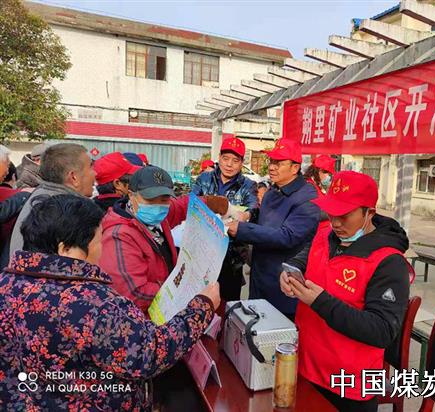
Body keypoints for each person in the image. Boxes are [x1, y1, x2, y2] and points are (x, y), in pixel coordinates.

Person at [0, 194, 220, 411]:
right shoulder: (94, 304)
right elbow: (148, 353)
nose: (103, 248)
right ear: (66, 249)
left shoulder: (5, 284)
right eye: (98, 240)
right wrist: (202, 307)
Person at [280, 171, 413, 412]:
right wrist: (291, 271)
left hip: (348, 386)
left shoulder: (389, 263)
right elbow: (305, 257)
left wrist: (320, 301)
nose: (336, 223)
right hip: (306, 366)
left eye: (344, 215)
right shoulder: (326, 234)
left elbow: (382, 331)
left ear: (369, 213)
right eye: (331, 213)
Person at [100, 165, 228, 314]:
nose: (158, 206)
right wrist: (180, 288)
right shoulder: (118, 236)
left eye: (164, 199)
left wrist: (217, 204)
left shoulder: (159, 215)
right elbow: (135, 293)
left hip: (167, 305)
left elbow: (182, 206)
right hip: (144, 317)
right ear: (131, 195)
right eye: (150, 200)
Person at [227, 139, 319, 319]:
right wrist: (248, 216)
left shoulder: (307, 198)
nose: (272, 167)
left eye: (279, 163)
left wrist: (243, 230)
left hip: (282, 284)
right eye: (271, 161)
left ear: (295, 168)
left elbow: (287, 236)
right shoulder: (273, 190)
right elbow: (265, 220)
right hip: (259, 277)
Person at [192, 137, 258, 301]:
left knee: (228, 302)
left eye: (235, 161)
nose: (229, 164)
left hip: (231, 256)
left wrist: (246, 215)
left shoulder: (248, 185)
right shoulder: (204, 179)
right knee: (200, 300)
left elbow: (254, 207)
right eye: (225, 158)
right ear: (219, 158)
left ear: (241, 163)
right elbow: (191, 203)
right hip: (202, 252)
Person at [9, 143, 96, 255]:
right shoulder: (66, 209)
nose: (96, 173)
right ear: (74, 177)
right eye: (90, 167)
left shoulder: (42, 196)